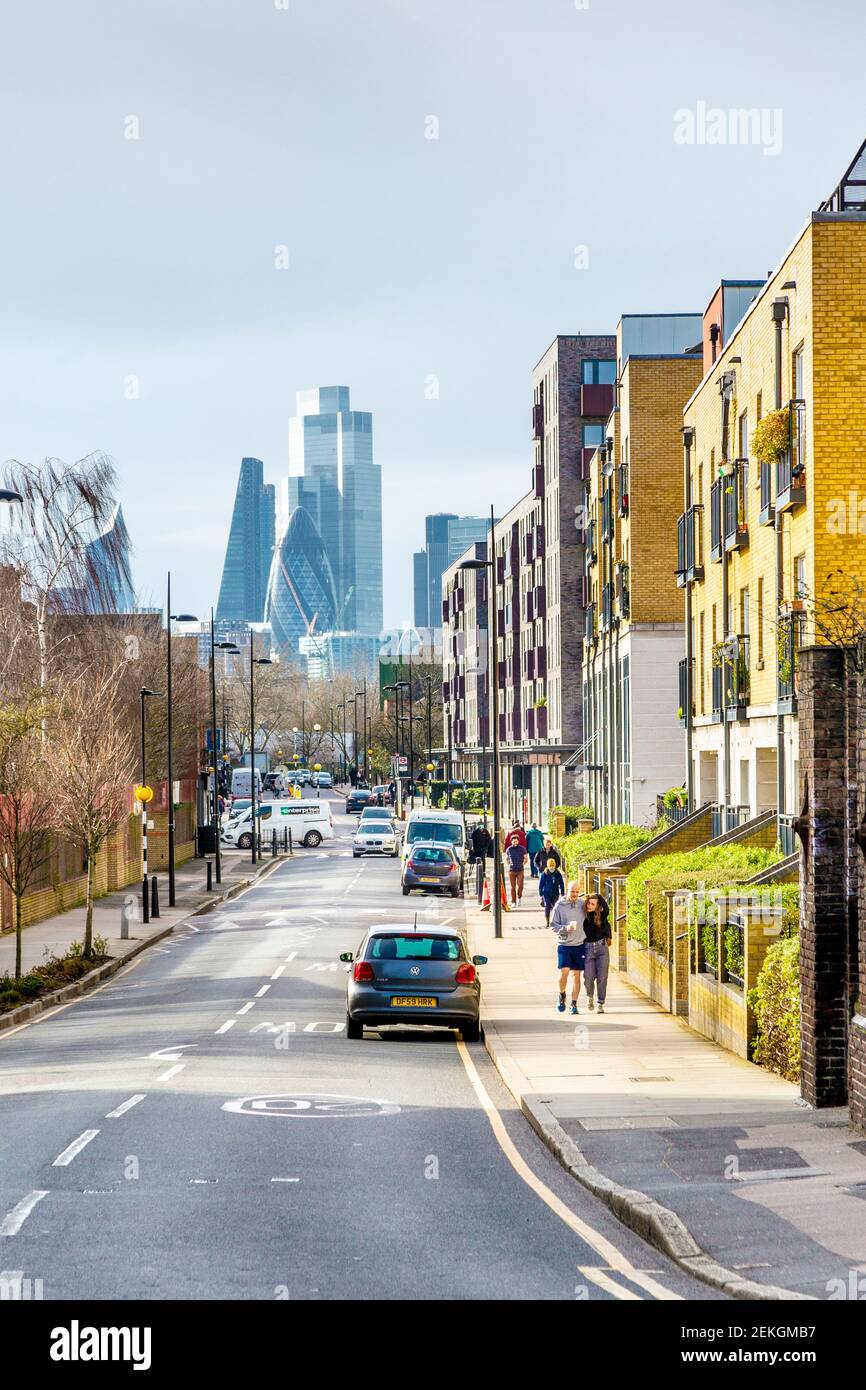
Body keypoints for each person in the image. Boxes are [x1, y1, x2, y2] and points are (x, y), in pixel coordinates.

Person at [549, 881, 586, 1015]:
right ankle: (562, 994)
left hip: (579, 945)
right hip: (564, 944)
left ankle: (574, 1004)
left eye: (577, 892)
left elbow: (597, 907)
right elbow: (553, 926)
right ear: (567, 891)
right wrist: (565, 928)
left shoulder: (583, 904)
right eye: (572, 892)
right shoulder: (560, 905)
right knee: (564, 971)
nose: (575, 894)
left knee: (576, 975)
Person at [582, 893, 611, 1014]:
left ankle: (600, 1003)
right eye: (588, 902)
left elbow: (606, 906)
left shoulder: (602, 915)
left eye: (592, 904)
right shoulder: (582, 915)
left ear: (597, 905)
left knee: (602, 977)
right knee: (588, 977)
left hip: (602, 949)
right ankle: (589, 997)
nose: (589, 905)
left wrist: (597, 896)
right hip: (587, 949)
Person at [538, 857, 565, 925]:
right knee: (547, 906)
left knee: (555, 906)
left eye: (553, 866)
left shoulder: (557, 873)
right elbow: (541, 884)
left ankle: (554, 920)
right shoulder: (545, 873)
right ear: (548, 866)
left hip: (555, 893)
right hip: (546, 893)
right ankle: (547, 920)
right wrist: (540, 893)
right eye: (550, 866)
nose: (552, 867)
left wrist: (562, 892)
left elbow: (561, 883)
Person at [505, 832, 527, 905]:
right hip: (512, 870)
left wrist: (522, 863)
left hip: (520, 870)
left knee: (520, 885)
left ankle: (519, 897)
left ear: (518, 841)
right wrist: (509, 864)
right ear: (511, 841)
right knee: (512, 887)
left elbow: (526, 858)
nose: (515, 842)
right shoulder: (509, 849)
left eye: (516, 841)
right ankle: (513, 902)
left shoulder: (522, 849)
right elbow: (506, 858)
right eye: (513, 841)